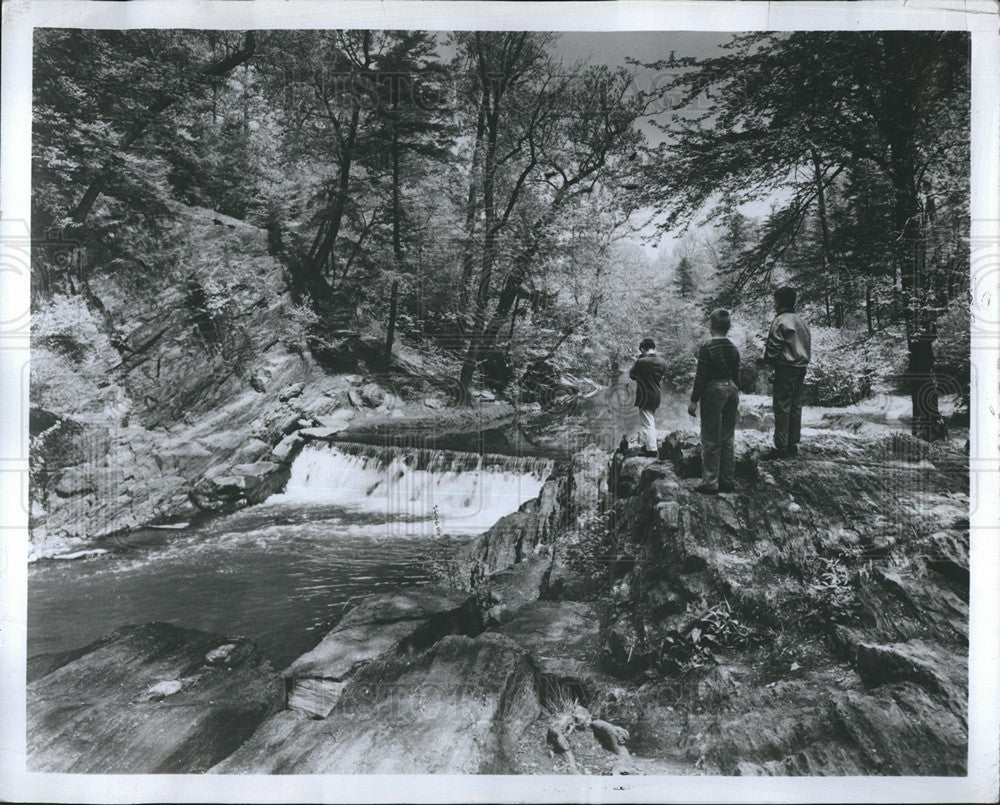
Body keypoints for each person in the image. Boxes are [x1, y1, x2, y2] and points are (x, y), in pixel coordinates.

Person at [687, 309, 740, 495]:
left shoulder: (707, 347)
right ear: (728, 327)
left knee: (710, 437)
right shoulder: (733, 348)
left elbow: (701, 376)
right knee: (727, 436)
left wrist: (694, 401)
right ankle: (727, 480)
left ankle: (710, 482)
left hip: (713, 391)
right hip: (732, 390)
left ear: (712, 325)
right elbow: (736, 376)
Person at [761, 286, 811, 459]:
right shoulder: (801, 321)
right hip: (801, 367)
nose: (774, 305)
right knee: (796, 405)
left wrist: (770, 368)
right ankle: (792, 444)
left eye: (775, 301)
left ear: (779, 302)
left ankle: (780, 446)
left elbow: (774, 347)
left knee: (782, 405)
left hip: (785, 367)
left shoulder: (780, 321)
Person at [629, 338, 669, 457]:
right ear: (654, 348)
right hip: (656, 394)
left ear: (642, 349)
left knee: (647, 423)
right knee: (650, 419)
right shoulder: (662, 361)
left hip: (644, 396)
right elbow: (661, 376)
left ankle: (651, 450)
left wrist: (636, 360)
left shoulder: (641, 362)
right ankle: (649, 446)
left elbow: (632, 375)